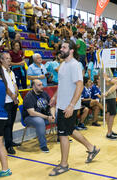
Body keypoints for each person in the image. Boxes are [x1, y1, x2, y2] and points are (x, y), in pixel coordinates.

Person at [48, 40, 100, 176]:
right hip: (61, 105)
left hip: (68, 106)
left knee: (63, 134)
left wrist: (71, 105)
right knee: (69, 130)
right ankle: (91, 148)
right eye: (61, 47)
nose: (61, 49)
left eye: (64, 47)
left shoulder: (75, 65)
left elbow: (79, 86)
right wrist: (54, 97)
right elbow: (62, 84)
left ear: (71, 50)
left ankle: (64, 165)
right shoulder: (63, 64)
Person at [23, 79, 55, 152]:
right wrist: (47, 117)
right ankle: (43, 145)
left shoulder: (44, 93)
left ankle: (61, 137)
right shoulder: (29, 96)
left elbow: (52, 106)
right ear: (33, 86)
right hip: (30, 118)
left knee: (59, 114)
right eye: (39, 85)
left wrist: (52, 115)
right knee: (39, 121)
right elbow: (32, 113)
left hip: (45, 116)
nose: (42, 87)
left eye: (42, 84)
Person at [0, 53, 19, 155]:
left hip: (13, 100)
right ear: (1, 60)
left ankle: (10, 141)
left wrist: (15, 95)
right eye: (7, 58)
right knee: (7, 124)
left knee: (11, 123)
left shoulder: (10, 71)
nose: (9, 60)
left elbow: (15, 84)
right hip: (6, 101)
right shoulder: (1, 72)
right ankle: (8, 146)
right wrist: (12, 96)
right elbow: (5, 86)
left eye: (9, 58)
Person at [100, 68, 117, 140]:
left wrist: (114, 79)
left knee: (110, 113)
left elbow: (109, 80)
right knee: (112, 113)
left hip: (111, 94)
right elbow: (107, 82)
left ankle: (110, 130)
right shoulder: (104, 68)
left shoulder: (108, 68)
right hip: (108, 95)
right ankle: (109, 133)